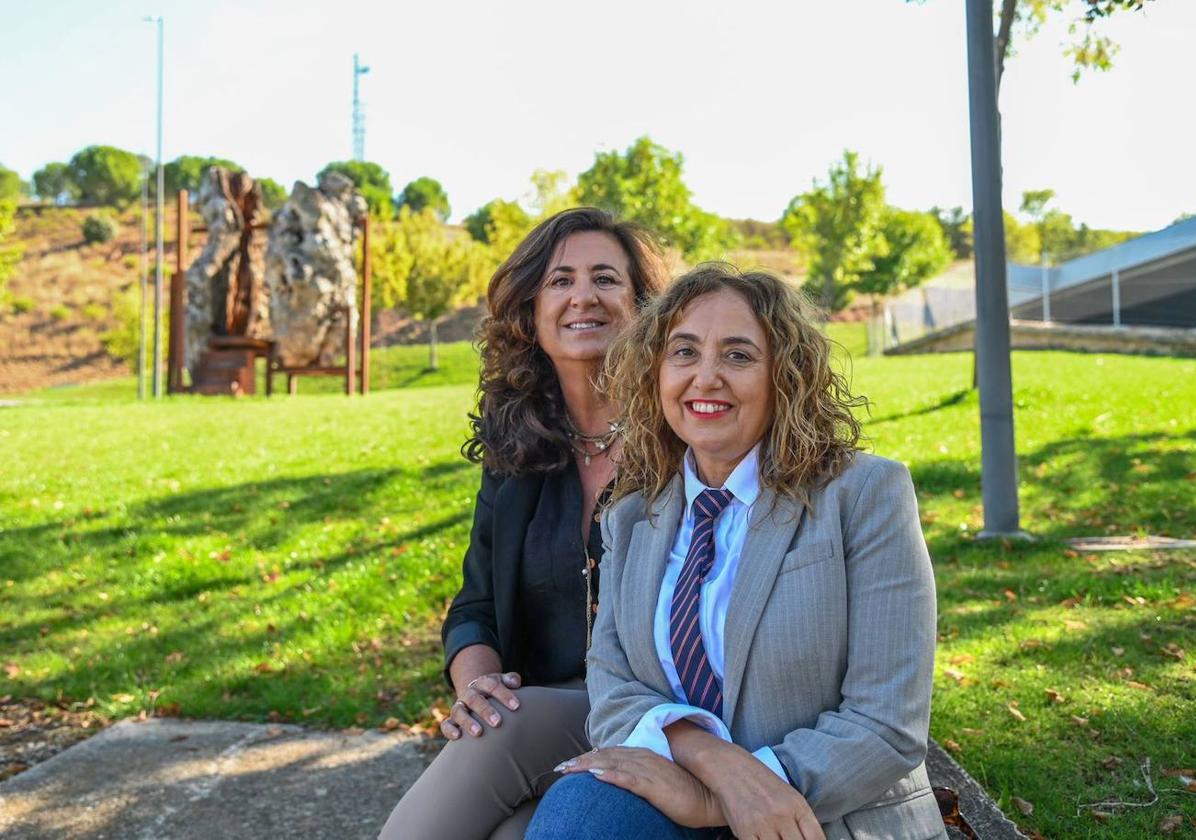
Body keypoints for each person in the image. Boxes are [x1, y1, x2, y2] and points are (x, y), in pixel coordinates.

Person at [527, 265, 946, 840]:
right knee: (580, 812)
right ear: (655, 374)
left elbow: (887, 721)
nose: (706, 377)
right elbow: (612, 681)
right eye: (684, 352)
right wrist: (706, 758)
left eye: (739, 356)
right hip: (669, 793)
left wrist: (729, 797)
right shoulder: (630, 516)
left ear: (785, 377)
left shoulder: (865, 495)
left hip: (820, 814)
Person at [377, 208, 667, 840]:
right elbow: (475, 606)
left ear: (645, 307)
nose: (582, 296)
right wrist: (477, 686)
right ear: (531, 314)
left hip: (654, 712)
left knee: (509, 730)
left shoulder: (684, 440)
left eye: (605, 279)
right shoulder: (519, 452)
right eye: (560, 280)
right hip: (534, 711)